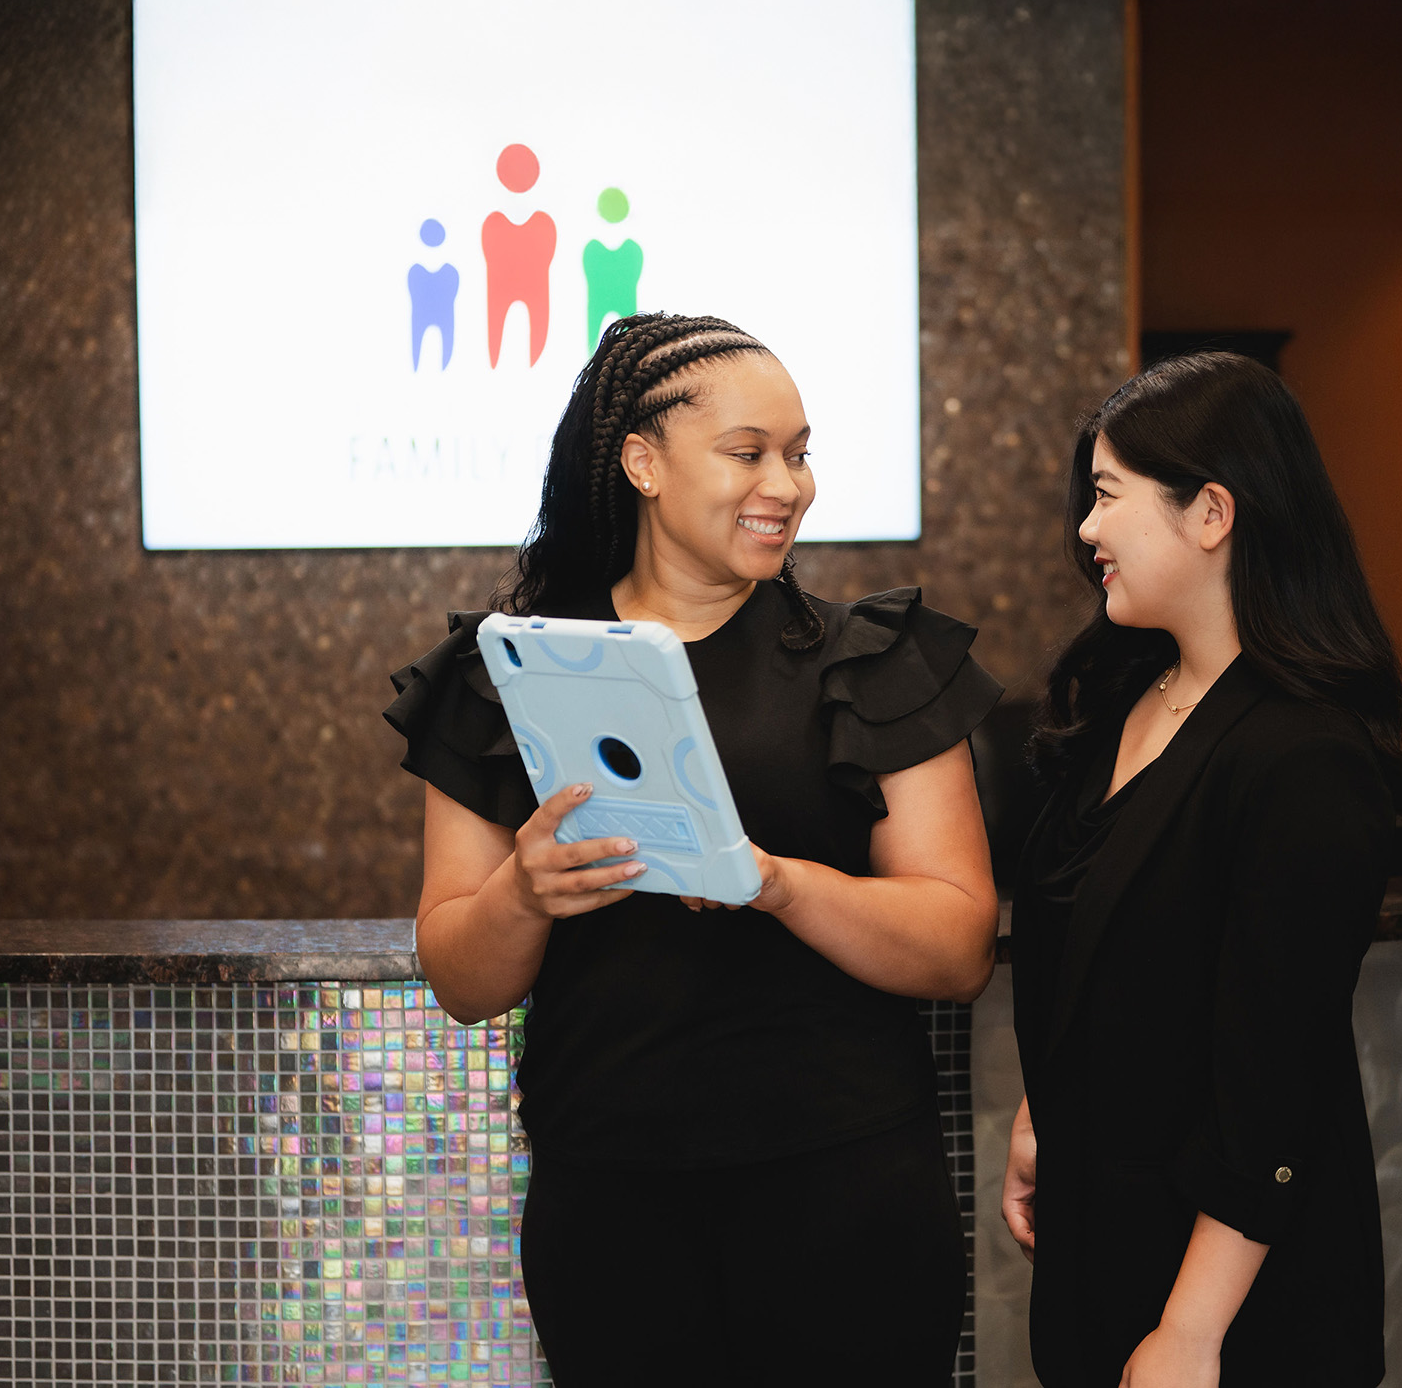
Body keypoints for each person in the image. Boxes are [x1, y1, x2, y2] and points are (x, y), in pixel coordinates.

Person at [385, 312, 1003, 1384]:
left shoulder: (875, 665)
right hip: (613, 1202)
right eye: (749, 451)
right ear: (642, 463)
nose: (788, 483)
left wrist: (774, 882)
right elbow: (459, 976)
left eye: (800, 452)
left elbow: (957, 945)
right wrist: (525, 891)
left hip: (846, 1190)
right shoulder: (504, 679)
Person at [1003, 352, 1402, 1387]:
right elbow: (1085, 957)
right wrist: (1035, 1116)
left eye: (1107, 497)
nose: (1087, 530)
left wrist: (1192, 1329)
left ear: (1212, 513)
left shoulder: (1303, 752)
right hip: (1100, 1243)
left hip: (1235, 1302)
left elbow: (1278, 1077)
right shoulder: (1122, 698)